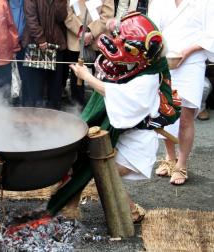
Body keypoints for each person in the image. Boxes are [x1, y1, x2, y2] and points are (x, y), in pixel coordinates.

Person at [47, 13, 180, 221]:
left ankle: (81, 208)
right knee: (92, 165)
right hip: (124, 136)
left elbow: (117, 95)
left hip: (137, 145)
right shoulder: (141, 63)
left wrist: (87, 77)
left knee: (96, 169)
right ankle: (125, 210)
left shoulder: (149, 78)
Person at [148, 0, 214, 185]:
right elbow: (153, 30)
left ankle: (181, 164)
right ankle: (169, 157)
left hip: (192, 63)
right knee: (166, 111)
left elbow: (211, 33)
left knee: (185, 115)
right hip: (165, 61)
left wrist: (188, 50)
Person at [64, 0, 114, 107]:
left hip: (99, 38)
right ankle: (77, 110)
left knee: (101, 76)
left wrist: (91, 32)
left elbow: (108, 14)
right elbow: (66, 12)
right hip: (75, 37)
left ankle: (97, 110)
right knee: (76, 76)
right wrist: (80, 30)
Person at [20, 0, 67, 110]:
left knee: (55, 87)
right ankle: (33, 118)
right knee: (35, 87)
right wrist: (40, 38)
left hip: (55, 44)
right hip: (35, 44)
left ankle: (54, 117)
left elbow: (62, 16)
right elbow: (30, 17)